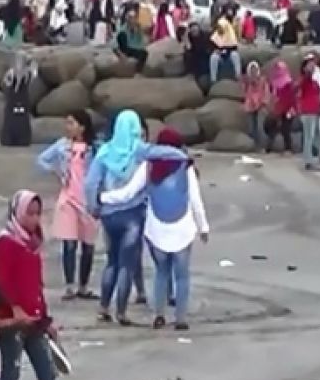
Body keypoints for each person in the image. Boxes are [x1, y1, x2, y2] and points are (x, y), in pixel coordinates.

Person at [0, 190, 84, 380]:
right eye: (29, 213)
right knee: (10, 375)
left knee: (47, 373)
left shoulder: (32, 243)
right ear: (17, 213)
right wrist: (16, 309)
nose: (33, 219)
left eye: (36, 213)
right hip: (12, 323)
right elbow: (1, 282)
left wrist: (45, 319)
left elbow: (36, 286)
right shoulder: (5, 243)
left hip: (35, 321)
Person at [83, 111, 188, 325]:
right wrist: (183, 156)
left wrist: (94, 206)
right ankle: (121, 311)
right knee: (127, 265)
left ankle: (104, 307)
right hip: (133, 214)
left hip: (109, 214)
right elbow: (165, 153)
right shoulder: (139, 150)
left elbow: (90, 183)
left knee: (111, 261)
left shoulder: (104, 151)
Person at [100, 127, 210, 331]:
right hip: (182, 227)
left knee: (161, 273)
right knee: (182, 275)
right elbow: (195, 200)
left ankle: (159, 315)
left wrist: (102, 198)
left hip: (156, 227)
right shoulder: (185, 167)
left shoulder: (148, 167)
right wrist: (203, 227)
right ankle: (180, 319)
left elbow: (128, 193)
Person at [37, 110, 99, 300]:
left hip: (88, 200)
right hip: (68, 198)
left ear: (82, 126)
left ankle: (83, 286)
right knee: (69, 243)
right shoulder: (62, 146)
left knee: (88, 245)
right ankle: (70, 286)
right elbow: (41, 159)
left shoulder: (95, 148)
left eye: (72, 123)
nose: (68, 127)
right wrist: (57, 172)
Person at [297, 54, 320, 172]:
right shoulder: (305, 79)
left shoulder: (315, 81)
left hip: (317, 111)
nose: (313, 65)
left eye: (313, 62)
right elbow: (300, 84)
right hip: (308, 111)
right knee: (309, 137)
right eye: (309, 63)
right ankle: (308, 161)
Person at [0, 51, 36, 148]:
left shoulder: (28, 72)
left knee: (21, 118)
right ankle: (10, 139)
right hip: (14, 98)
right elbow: (6, 83)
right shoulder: (11, 72)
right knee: (13, 118)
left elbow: (33, 77)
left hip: (21, 97)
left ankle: (21, 139)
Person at [266, 59, 296, 154]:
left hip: (288, 110)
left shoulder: (289, 83)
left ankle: (288, 148)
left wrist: (291, 109)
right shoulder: (274, 83)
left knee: (285, 129)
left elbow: (292, 98)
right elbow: (273, 96)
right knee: (272, 126)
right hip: (278, 109)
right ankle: (269, 147)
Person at [210, 6, 242, 82]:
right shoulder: (217, 32)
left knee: (235, 55)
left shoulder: (232, 29)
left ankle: (238, 76)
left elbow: (236, 42)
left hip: (230, 52)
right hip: (220, 53)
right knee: (213, 57)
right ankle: (213, 79)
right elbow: (213, 43)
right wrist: (216, 50)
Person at [242, 61, 268, 151]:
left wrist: (263, 103)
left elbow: (266, 93)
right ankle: (254, 146)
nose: (253, 72)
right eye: (251, 70)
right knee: (251, 128)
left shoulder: (263, 80)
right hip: (250, 106)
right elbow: (244, 93)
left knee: (260, 127)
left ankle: (263, 147)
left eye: (255, 69)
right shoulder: (247, 82)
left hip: (261, 106)